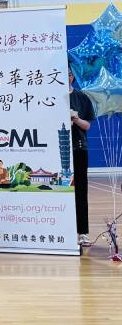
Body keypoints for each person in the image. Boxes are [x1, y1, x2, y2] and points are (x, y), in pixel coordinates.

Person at [69, 67, 95, 246]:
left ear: (73, 76)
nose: (66, 77)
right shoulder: (48, 98)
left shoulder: (81, 97)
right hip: (55, 151)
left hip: (78, 149)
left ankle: (82, 232)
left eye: (69, 74)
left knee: (80, 191)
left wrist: (75, 119)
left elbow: (87, 126)